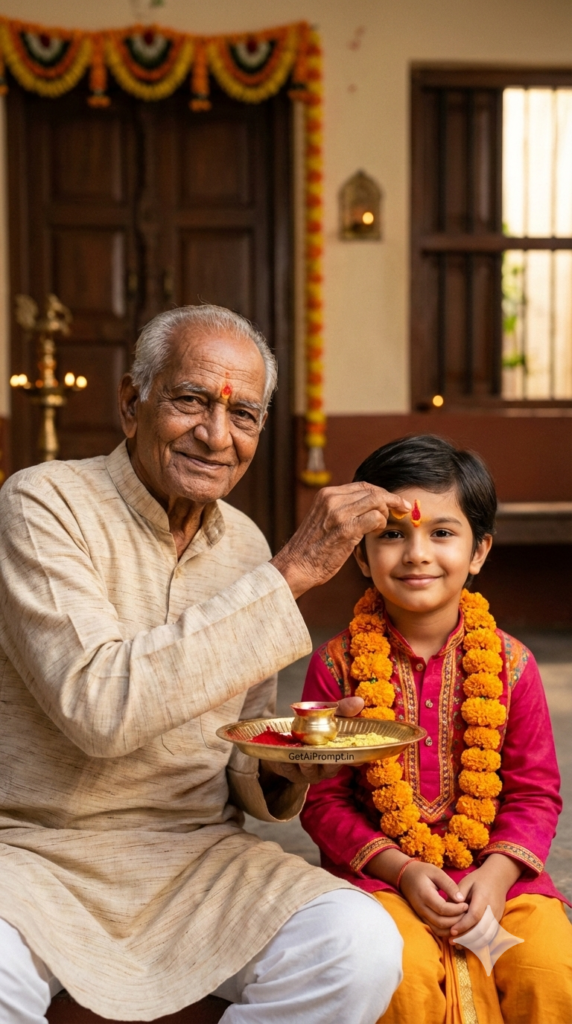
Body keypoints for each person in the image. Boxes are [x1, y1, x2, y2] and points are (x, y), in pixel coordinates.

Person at [0, 305, 407, 1024]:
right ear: (131, 404)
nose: (216, 436)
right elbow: (100, 709)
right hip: (38, 858)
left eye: (243, 415)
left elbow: (234, 750)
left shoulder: (245, 544)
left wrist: (286, 763)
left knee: (358, 944)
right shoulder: (43, 503)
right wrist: (293, 574)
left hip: (198, 861)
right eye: (190, 400)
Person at [300, 434, 572, 1024]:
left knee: (548, 970)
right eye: (392, 533)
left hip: (502, 880)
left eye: (442, 532)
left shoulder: (512, 665)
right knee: (401, 980)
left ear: (479, 551)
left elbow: (535, 792)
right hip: (380, 879)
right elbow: (321, 801)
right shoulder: (336, 667)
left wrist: (496, 878)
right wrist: (401, 868)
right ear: (361, 555)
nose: (416, 553)